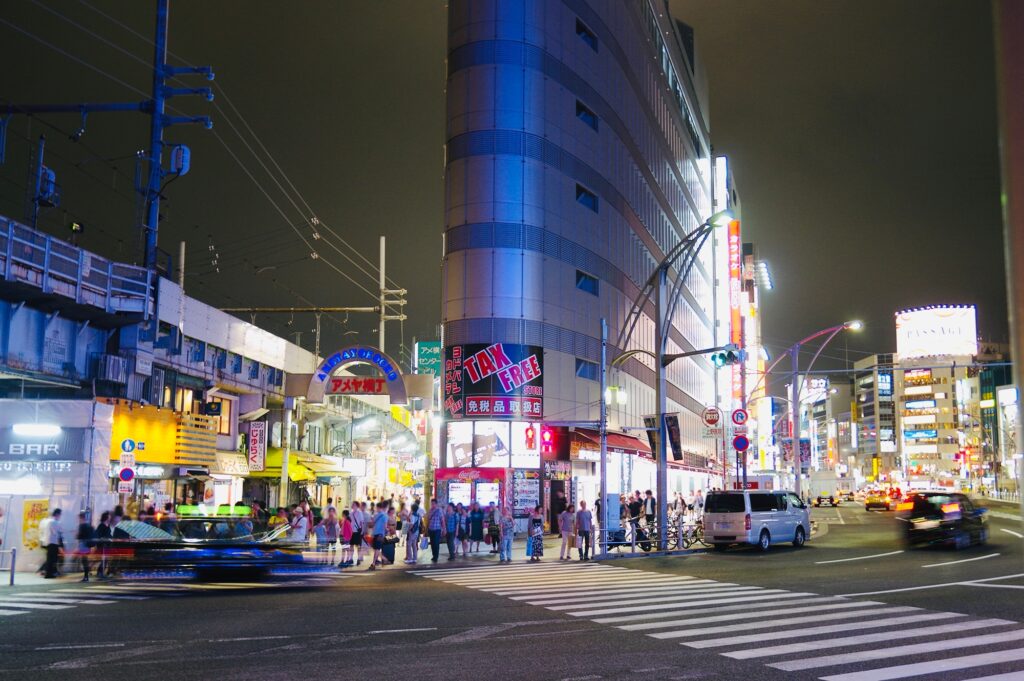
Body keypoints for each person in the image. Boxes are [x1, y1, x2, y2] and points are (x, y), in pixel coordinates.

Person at [42, 508, 63, 578]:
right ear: (57, 514)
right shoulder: (54, 522)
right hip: (53, 543)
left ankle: (48, 573)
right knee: (52, 559)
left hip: (48, 542)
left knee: (49, 559)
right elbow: (58, 531)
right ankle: (49, 574)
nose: (60, 516)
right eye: (60, 515)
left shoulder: (48, 522)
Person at [368, 501, 388, 570]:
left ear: (379, 508)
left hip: (375, 534)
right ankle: (380, 560)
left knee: (376, 548)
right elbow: (385, 527)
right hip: (380, 534)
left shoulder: (376, 515)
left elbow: (372, 524)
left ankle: (375, 562)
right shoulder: (385, 515)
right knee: (377, 549)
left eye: (377, 507)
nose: (376, 509)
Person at [75, 511, 93, 582]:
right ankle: (86, 575)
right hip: (87, 545)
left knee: (84, 561)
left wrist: (76, 534)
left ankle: (86, 576)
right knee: (85, 560)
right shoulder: (88, 525)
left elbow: (79, 536)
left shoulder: (81, 526)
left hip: (83, 544)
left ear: (81, 518)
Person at [93, 511, 112, 580]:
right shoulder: (101, 525)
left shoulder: (108, 525)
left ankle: (100, 572)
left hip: (107, 544)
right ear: (106, 517)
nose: (110, 517)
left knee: (105, 559)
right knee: (104, 559)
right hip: (102, 545)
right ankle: (100, 572)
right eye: (109, 516)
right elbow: (99, 535)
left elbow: (109, 534)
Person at [426, 499, 445, 564]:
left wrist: (444, 529)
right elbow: (428, 520)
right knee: (432, 543)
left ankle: (436, 557)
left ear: (436, 504)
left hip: (437, 529)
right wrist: (426, 528)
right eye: (432, 504)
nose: (432, 505)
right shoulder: (430, 511)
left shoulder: (439, 510)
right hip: (431, 529)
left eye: (433, 504)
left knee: (436, 543)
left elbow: (442, 520)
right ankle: (434, 555)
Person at [349, 501, 365, 566]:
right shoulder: (351, 513)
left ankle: (358, 559)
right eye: (352, 504)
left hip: (357, 531)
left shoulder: (359, 513)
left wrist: (362, 531)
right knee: (351, 545)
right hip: (351, 531)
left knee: (358, 546)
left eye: (353, 504)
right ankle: (351, 559)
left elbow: (362, 522)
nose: (352, 505)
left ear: (357, 506)